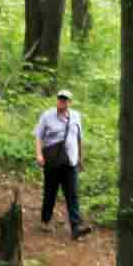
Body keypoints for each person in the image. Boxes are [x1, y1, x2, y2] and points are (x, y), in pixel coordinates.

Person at [34, 88, 90, 239]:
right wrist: (39, 154)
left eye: (65, 99)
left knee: (72, 193)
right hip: (52, 160)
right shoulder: (47, 115)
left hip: (70, 160)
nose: (62, 101)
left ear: (70, 102)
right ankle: (45, 221)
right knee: (50, 192)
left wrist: (80, 158)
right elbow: (38, 136)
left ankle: (76, 227)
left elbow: (79, 138)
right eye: (60, 98)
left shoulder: (76, 116)